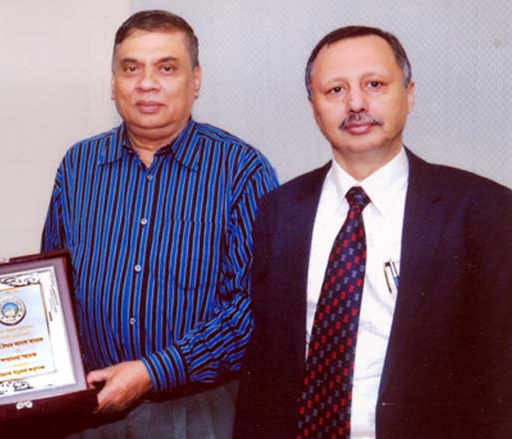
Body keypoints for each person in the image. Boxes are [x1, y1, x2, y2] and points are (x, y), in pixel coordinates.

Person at [233, 25, 512, 438]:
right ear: (314, 106)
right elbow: (265, 365)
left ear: (410, 94)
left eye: (374, 84)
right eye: (335, 91)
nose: (356, 103)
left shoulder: (485, 211)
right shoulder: (280, 210)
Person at [41, 9, 279, 438]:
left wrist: (154, 371)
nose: (146, 83)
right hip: (90, 410)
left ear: (196, 79)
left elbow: (252, 308)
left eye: (166, 68)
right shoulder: (78, 166)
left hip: (197, 410)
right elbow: (53, 289)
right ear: (113, 81)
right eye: (131, 68)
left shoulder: (241, 170)